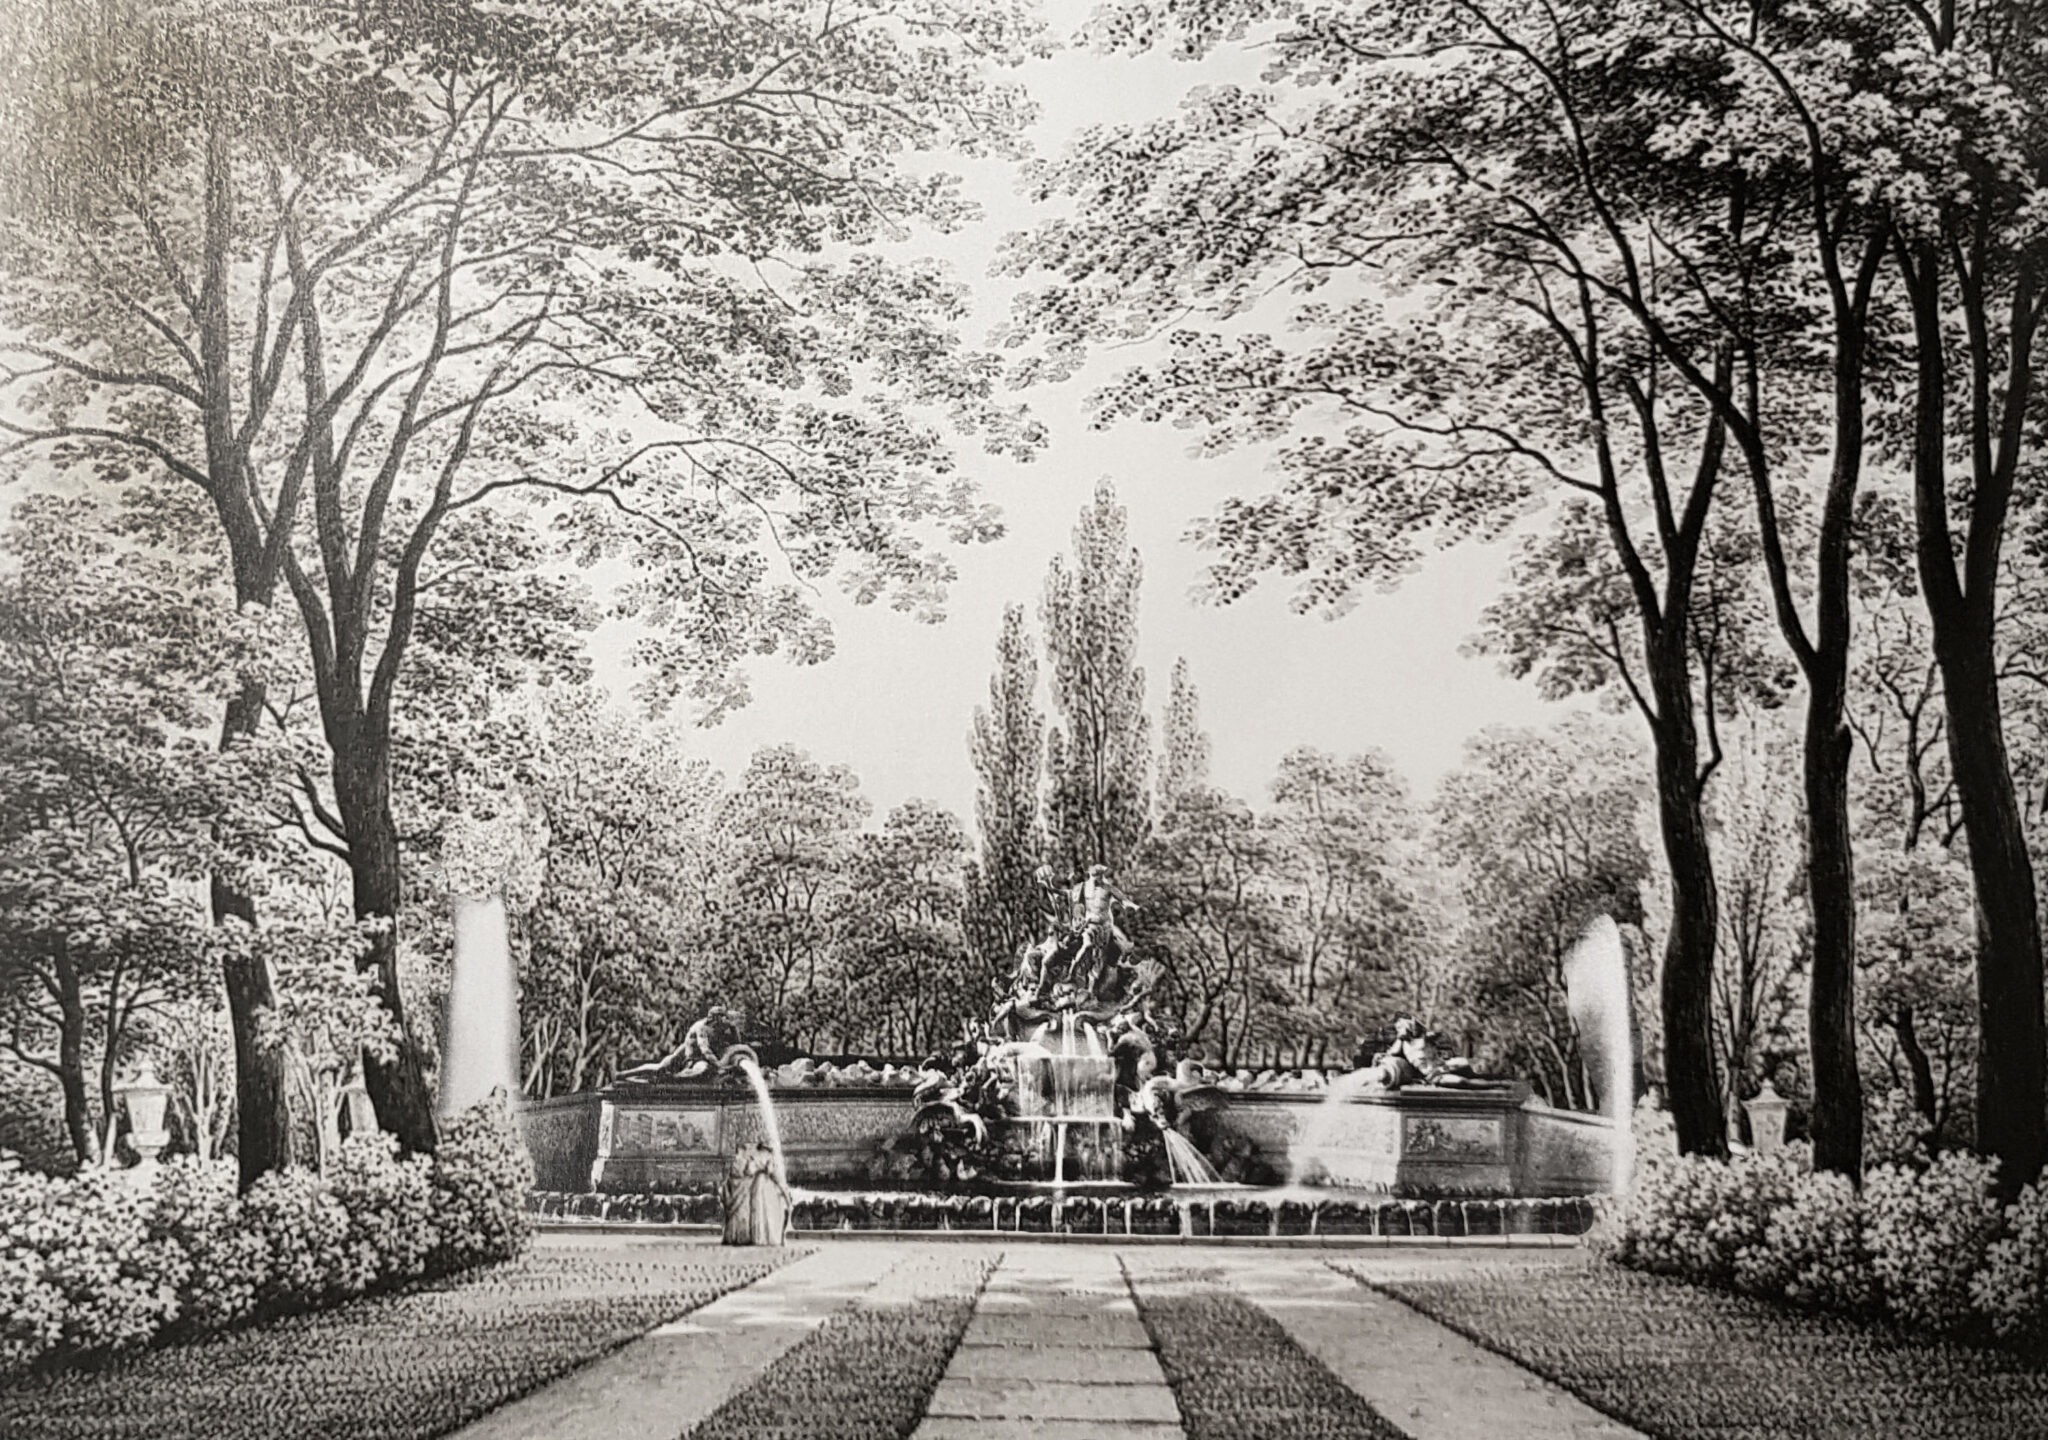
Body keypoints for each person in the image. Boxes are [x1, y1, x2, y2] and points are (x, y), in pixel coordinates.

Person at [1068, 863, 1139, 995]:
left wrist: (1136, 908)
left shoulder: (1108, 888)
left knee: (1100, 958)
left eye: (1100, 876)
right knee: (1086, 946)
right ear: (1090, 875)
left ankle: (1092, 990)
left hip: (1104, 927)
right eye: (1095, 876)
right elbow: (1076, 907)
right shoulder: (1082, 888)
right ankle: (1072, 971)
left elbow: (1124, 900)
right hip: (1087, 926)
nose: (1098, 879)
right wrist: (1076, 921)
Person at [721, 1141, 790, 1246]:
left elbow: (749, 1170)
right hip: (763, 1189)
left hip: (758, 1188)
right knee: (765, 1214)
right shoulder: (766, 1157)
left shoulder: (755, 1157)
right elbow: (771, 1173)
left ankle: (758, 1237)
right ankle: (763, 1237)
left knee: (760, 1213)